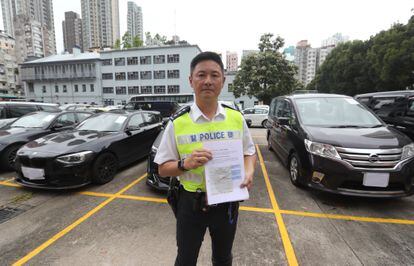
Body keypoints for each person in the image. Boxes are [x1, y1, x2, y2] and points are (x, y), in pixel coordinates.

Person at [154, 51, 257, 266]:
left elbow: (249, 151)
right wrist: (185, 164)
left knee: (223, 258)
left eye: (214, 75)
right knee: (185, 259)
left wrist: (249, 172)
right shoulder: (177, 123)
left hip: (227, 201)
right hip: (190, 203)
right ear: (191, 81)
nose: (208, 81)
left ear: (223, 81)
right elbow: (162, 169)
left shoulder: (236, 119)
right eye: (201, 75)